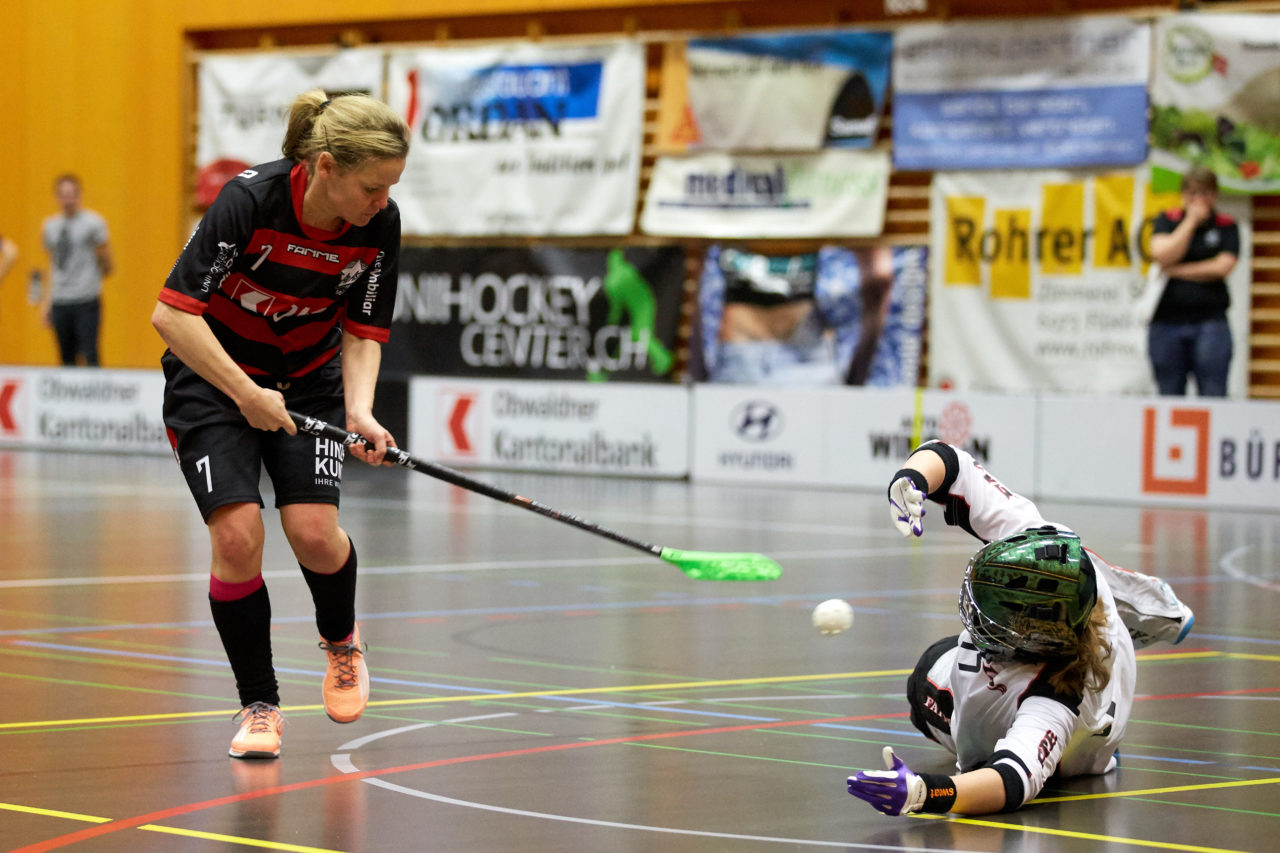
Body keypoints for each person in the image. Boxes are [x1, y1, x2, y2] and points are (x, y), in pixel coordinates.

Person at [151, 88, 410, 760]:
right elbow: (173, 315)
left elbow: (362, 330)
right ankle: (260, 702)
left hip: (310, 382)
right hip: (213, 378)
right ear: (325, 167)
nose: (380, 203)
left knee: (314, 534)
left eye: (389, 189)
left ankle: (341, 640)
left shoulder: (379, 225)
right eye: (370, 187)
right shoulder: (250, 201)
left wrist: (359, 410)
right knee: (238, 536)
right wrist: (245, 392)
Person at [845, 440, 1194, 816]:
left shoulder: (1056, 703)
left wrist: (926, 793)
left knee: (923, 687)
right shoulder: (1046, 546)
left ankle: (1089, 746)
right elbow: (951, 462)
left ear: (1032, 639)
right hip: (1096, 629)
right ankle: (1161, 613)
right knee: (1096, 575)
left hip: (1081, 745)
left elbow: (1010, 781)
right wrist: (911, 479)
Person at [1147, 165, 1240, 397]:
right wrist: (1190, 222)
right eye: (1192, 193)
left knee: (1213, 393)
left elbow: (1222, 267)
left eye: (1204, 193)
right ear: (1183, 195)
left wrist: (1176, 271)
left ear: (1214, 194)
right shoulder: (1168, 219)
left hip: (1210, 322)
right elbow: (1162, 254)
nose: (1198, 199)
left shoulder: (1226, 224)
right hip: (1166, 322)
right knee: (1168, 394)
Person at [40, 174, 113, 366]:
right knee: (65, 356)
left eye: (71, 195)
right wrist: (45, 301)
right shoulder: (50, 226)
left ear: (79, 196)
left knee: (90, 352)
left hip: (86, 297)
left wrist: (102, 266)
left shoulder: (93, 223)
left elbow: (106, 260)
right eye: (63, 195)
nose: (67, 200)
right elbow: (50, 263)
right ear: (57, 197)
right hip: (60, 298)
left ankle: (94, 392)